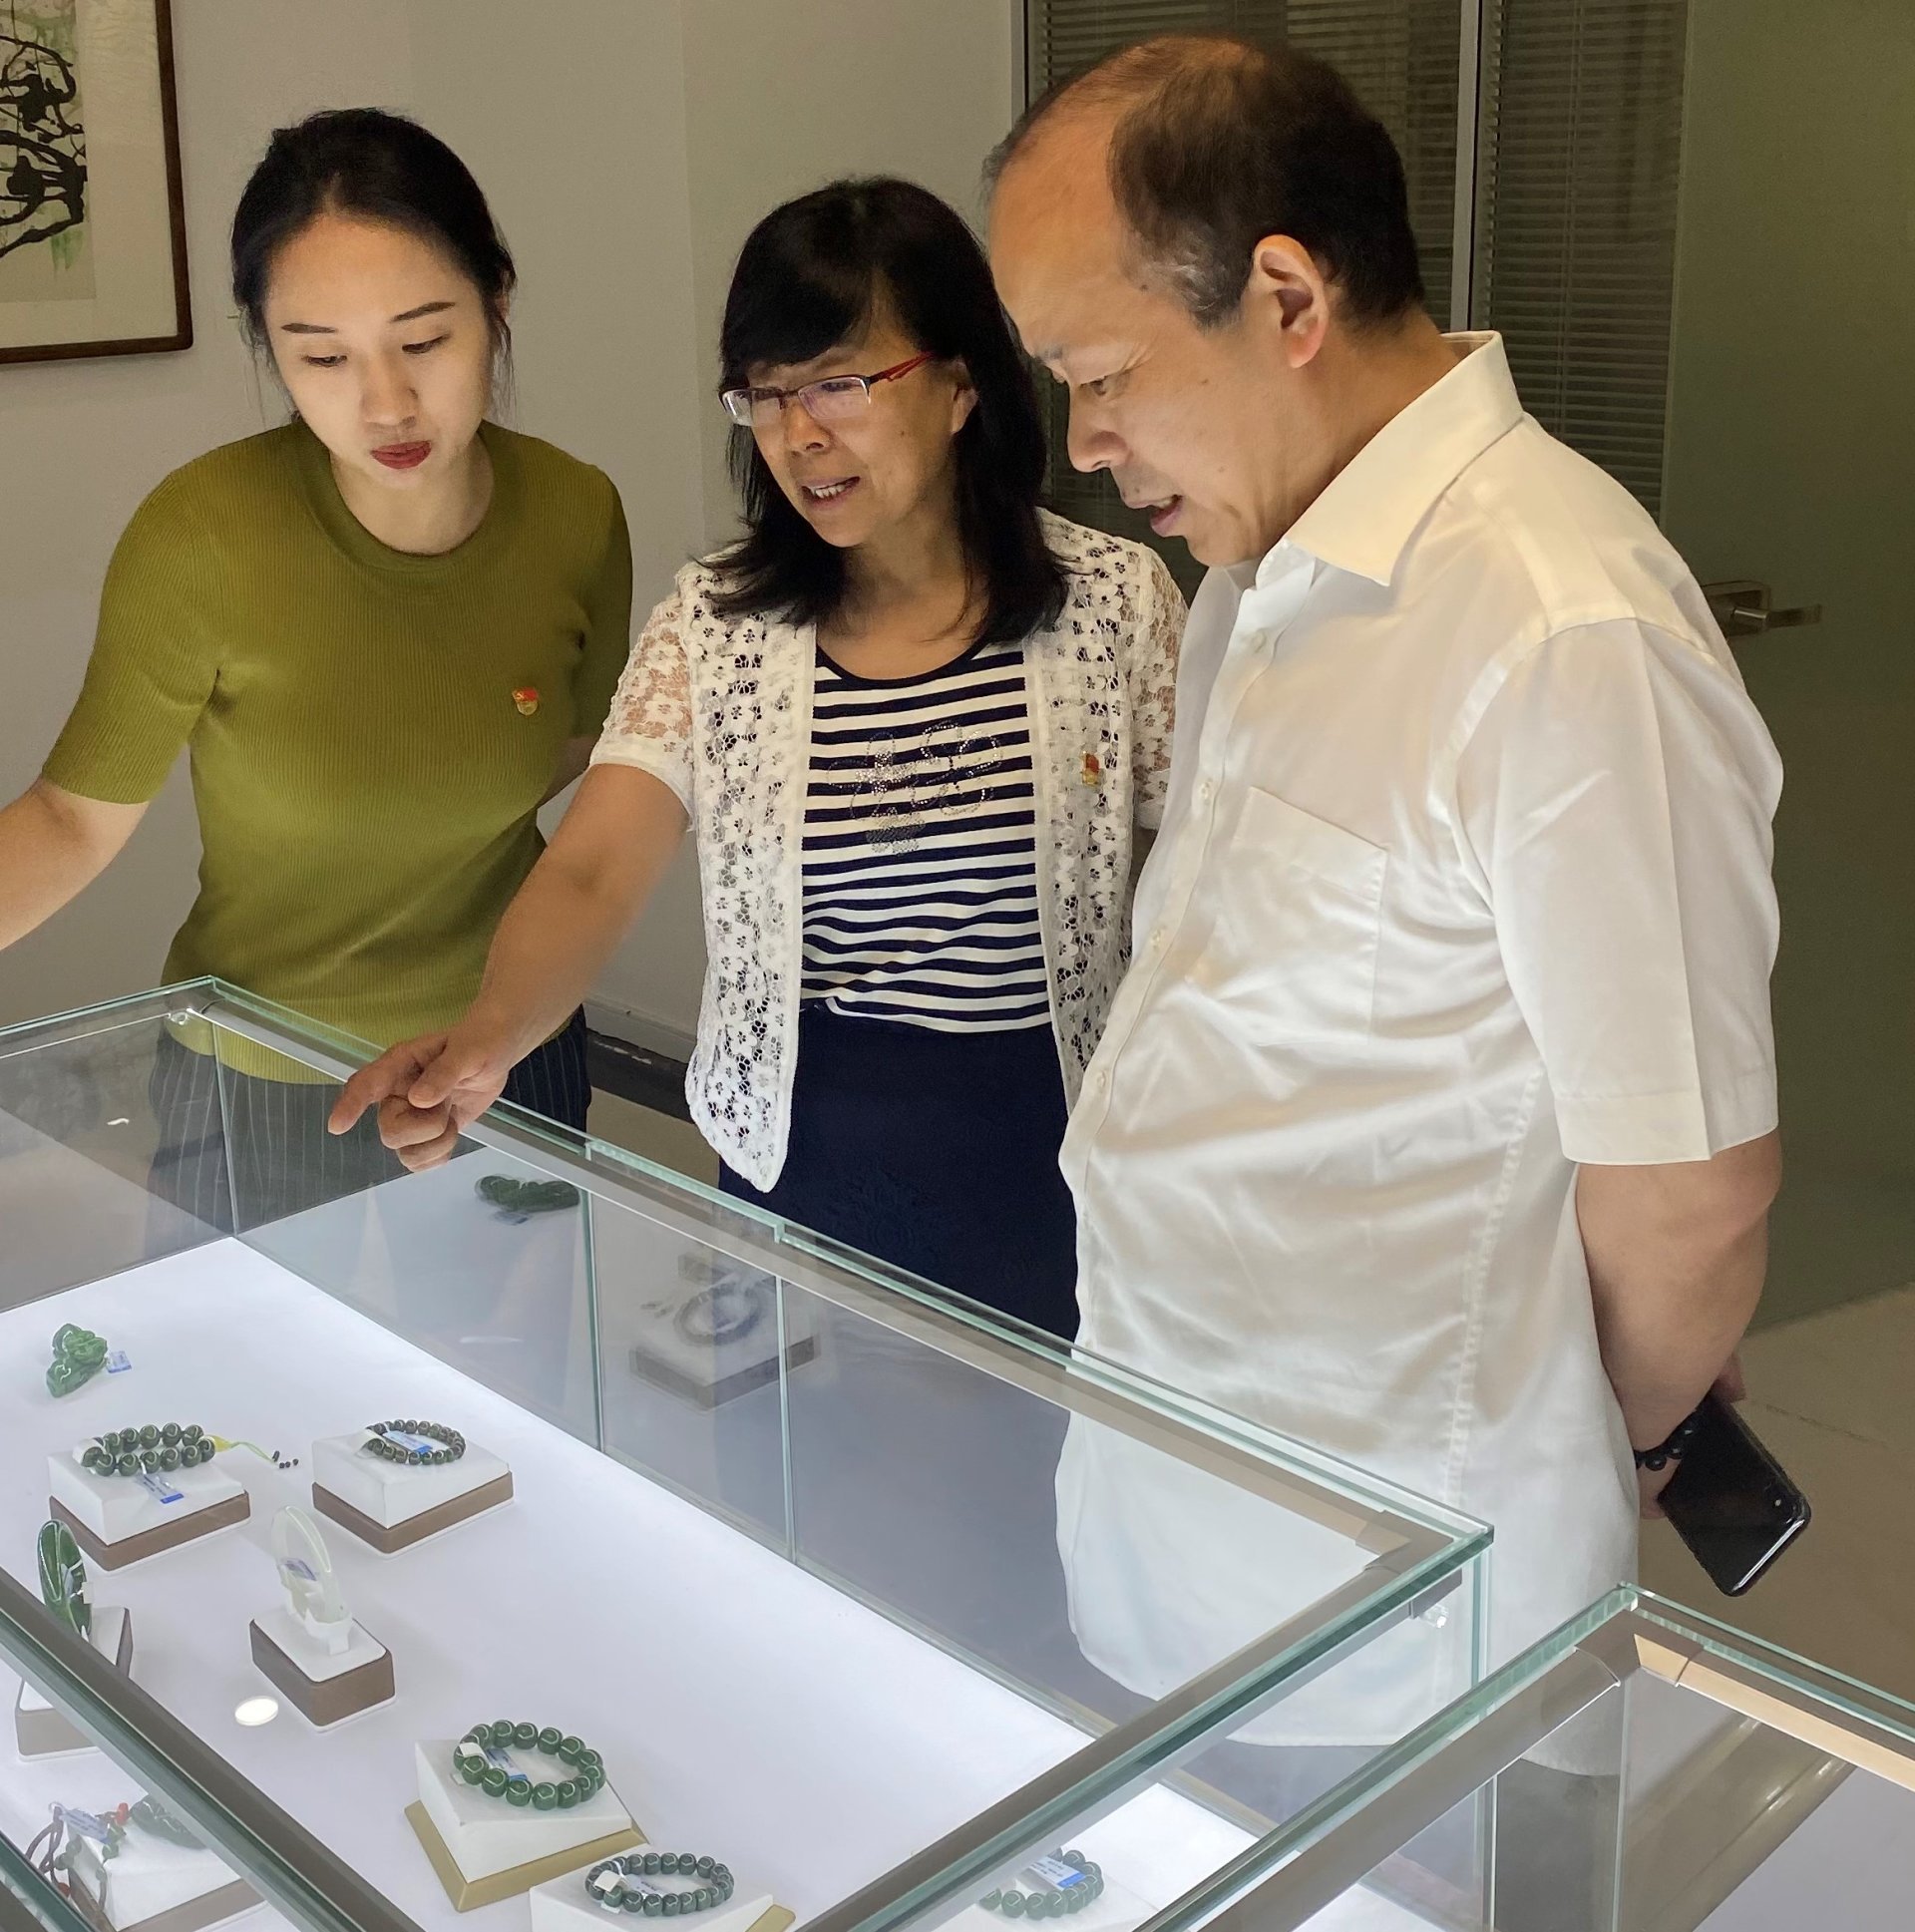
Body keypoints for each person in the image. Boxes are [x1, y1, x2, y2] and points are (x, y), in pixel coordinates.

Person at [986, 35, 1781, 1692]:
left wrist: (1607, 1442)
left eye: (1104, 372)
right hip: (1165, 1530)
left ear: (1287, 298)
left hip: (1397, 1629)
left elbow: (1689, 1191)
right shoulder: (1261, 581)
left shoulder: (1561, 627)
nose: (1084, 441)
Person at [330, 177, 1184, 1341]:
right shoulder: (720, 628)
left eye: (838, 383)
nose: (799, 434)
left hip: (1055, 1168)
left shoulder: (1113, 605)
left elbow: (1197, 893)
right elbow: (593, 867)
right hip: (803, 1165)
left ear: (961, 382)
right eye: (766, 396)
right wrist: (489, 1039)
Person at [0, 109, 631, 1226]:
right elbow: (70, 819)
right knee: (242, 1343)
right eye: (323, 357)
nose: (385, 403)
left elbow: (579, 754)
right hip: (257, 1064)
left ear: (496, 301)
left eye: (423, 342)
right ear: (270, 348)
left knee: (520, 1333)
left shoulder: (575, 515)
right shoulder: (203, 534)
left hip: (503, 1046)